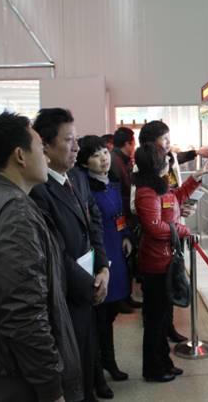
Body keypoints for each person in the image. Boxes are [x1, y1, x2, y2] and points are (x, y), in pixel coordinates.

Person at [0, 111, 83, 402]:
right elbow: (23, 313)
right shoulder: (15, 212)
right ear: (20, 155)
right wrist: (51, 387)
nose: (46, 156)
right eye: (40, 147)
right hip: (18, 381)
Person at [31, 108, 110, 402]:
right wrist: (90, 286)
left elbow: (94, 222)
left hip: (90, 284)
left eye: (76, 140)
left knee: (88, 356)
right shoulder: (38, 190)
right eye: (68, 140)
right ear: (45, 146)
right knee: (72, 366)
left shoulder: (76, 177)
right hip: (68, 293)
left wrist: (103, 267)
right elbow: (55, 251)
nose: (77, 147)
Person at [133, 142, 208, 382]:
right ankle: (153, 369)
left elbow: (175, 198)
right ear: (157, 163)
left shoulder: (159, 186)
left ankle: (164, 362)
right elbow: (154, 227)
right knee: (156, 320)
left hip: (166, 260)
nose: (169, 160)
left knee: (164, 317)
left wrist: (195, 178)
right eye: (165, 157)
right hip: (156, 263)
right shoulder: (146, 192)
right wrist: (182, 230)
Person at [76, 135, 131, 387]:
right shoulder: (84, 187)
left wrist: (126, 235)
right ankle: (97, 373)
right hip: (100, 255)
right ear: (84, 162)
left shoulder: (112, 183)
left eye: (105, 153)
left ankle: (109, 361)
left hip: (116, 251)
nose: (103, 159)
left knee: (109, 314)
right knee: (98, 317)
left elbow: (121, 214)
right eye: (96, 155)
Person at [110, 126, 142, 313]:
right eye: (133, 143)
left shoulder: (122, 160)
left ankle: (126, 296)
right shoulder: (115, 162)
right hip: (121, 217)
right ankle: (120, 299)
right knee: (122, 259)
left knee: (127, 260)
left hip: (125, 216)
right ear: (128, 143)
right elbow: (122, 192)